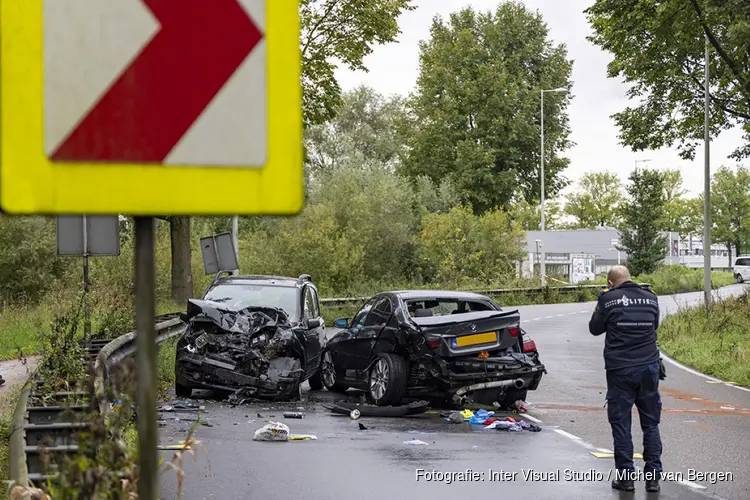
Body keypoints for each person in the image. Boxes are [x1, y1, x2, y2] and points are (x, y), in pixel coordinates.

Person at [589, 265, 663, 493]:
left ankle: (626, 479)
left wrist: (600, 301)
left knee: (621, 424)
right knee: (651, 423)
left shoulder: (608, 299)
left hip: (620, 370)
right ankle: (652, 480)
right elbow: (654, 325)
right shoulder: (651, 298)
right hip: (649, 368)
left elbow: (594, 329)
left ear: (610, 283)